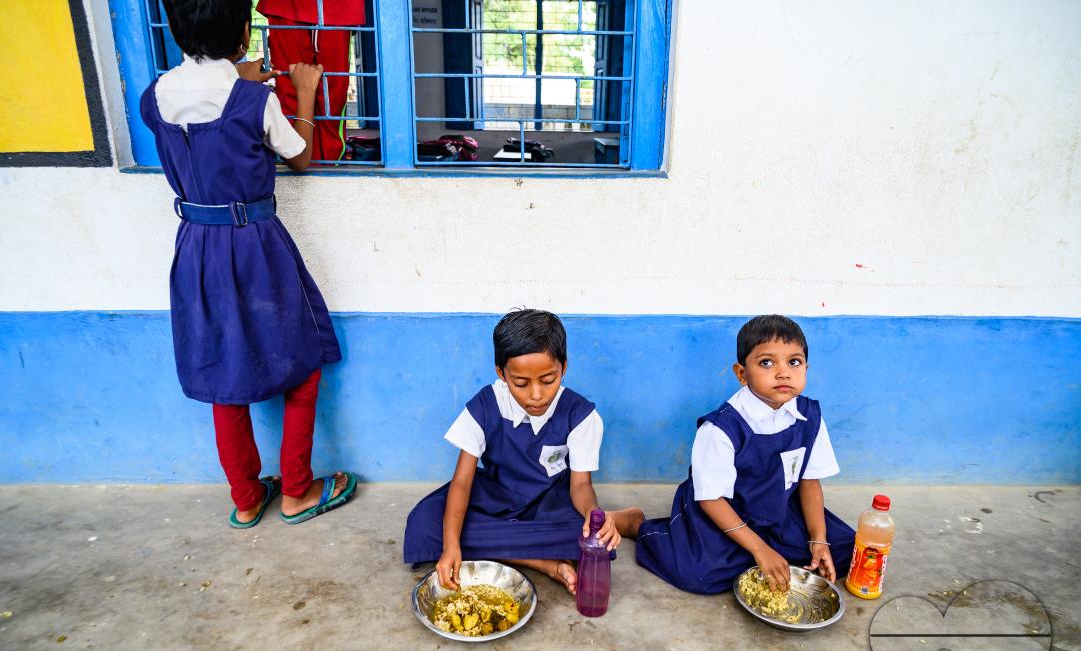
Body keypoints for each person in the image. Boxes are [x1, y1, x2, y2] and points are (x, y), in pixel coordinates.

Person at [141, 0, 356, 528]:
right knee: (302, 366)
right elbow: (300, 156)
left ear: (175, 30)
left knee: (221, 369)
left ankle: (244, 496)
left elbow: (200, 103)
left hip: (194, 246)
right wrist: (303, 91)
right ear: (242, 35)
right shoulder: (253, 99)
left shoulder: (155, 97)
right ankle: (297, 491)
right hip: (255, 245)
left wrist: (233, 73)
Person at [403, 309, 644, 594]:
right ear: (501, 373)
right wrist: (451, 544)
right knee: (424, 525)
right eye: (520, 383)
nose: (536, 395)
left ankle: (617, 519)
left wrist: (593, 513)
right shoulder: (484, 406)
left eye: (548, 380)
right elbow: (463, 481)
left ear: (563, 368)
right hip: (495, 496)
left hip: (550, 502)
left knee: (591, 537)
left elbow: (580, 485)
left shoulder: (581, 415)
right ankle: (544, 563)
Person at [634, 315, 855, 594]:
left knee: (846, 551)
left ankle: (774, 548)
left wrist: (818, 539)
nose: (783, 372)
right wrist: (760, 549)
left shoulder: (809, 416)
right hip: (723, 512)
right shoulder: (721, 428)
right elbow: (712, 500)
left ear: (806, 368)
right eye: (766, 362)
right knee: (700, 575)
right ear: (741, 373)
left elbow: (809, 482)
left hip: (779, 509)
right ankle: (640, 526)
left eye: (794, 362)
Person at [257, 0, 364, 162]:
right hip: (285, 6)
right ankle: (293, 158)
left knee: (332, 94)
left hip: (339, 7)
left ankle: (329, 162)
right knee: (289, 86)